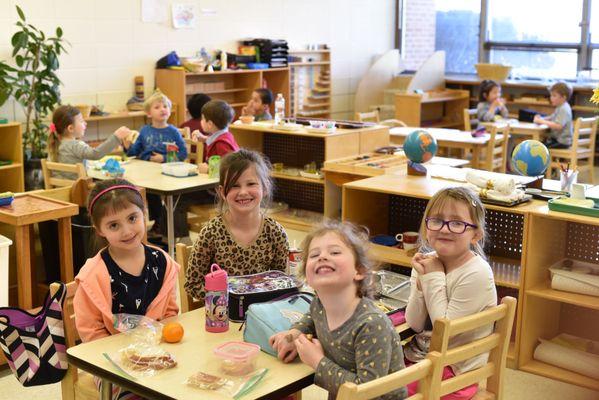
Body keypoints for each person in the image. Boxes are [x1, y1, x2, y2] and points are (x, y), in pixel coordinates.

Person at [269, 220, 407, 400]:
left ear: (359, 271)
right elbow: (311, 318)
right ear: (308, 278)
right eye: (314, 255)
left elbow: (366, 393)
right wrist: (294, 333)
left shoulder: (371, 324)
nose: (322, 257)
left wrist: (317, 362)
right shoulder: (319, 304)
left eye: (334, 252)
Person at [73, 178, 179, 399]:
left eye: (132, 218)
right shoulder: (94, 274)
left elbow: (170, 314)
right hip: (112, 364)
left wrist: (157, 349)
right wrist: (129, 356)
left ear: (145, 213)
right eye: (114, 225)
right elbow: (91, 333)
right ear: (99, 230)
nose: (127, 231)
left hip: (158, 351)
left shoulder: (162, 261)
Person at [405, 187, 497, 399]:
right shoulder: (427, 263)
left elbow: (443, 332)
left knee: (385, 391)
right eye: (436, 220)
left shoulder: (476, 272)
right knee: (365, 372)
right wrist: (421, 284)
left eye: (457, 223)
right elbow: (415, 323)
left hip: (455, 373)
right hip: (424, 358)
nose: (444, 229)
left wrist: (433, 277)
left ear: (476, 234)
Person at [184, 149, 288, 302]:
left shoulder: (275, 233)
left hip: (261, 315)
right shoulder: (211, 233)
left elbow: (281, 283)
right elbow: (192, 284)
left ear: (265, 187)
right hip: (223, 317)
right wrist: (228, 300)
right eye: (234, 185)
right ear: (222, 192)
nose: (243, 192)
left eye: (251, 183)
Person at [124, 90, 187, 234]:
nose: (162, 109)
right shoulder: (145, 130)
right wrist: (127, 146)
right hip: (148, 174)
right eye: (157, 107)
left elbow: (183, 154)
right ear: (149, 113)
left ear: (170, 110)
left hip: (168, 173)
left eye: (165, 106)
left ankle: (163, 225)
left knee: (166, 196)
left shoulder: (173, 132)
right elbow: (133, 152)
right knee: (150, 193)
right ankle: (159, 222)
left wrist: (163, 158)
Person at [47, 105, 130, 178]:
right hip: (77, 191)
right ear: (71, 128)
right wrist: (116, 137)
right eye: (81, 121)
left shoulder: (55, 145)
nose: (85, 123)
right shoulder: (75, 145)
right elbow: (95, 154)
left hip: (58, 192)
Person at [191, 100, 240, 172]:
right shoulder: (225, 136)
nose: (201, 121)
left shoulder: (222, 144)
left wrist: (208, 169)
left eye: (202, 119)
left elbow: (229, 167)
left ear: (210, 124)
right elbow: (215, 140)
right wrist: (204, 139)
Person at [534, 81, 573, 149]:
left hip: (561, 142)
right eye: (551, 95)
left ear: (563, 97)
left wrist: (541, 121)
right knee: (539, 145)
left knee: (539, 149)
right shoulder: (561, 107)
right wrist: (542, 119)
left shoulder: (563, 109)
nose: (551, 98)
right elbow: (552, 117)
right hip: (559, 140)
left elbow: (558, 126)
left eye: (554, 95)